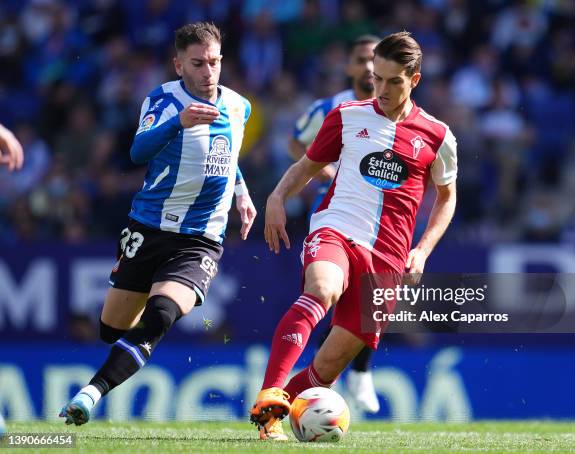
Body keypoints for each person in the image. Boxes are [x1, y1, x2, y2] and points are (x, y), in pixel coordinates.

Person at [250, 31, 457, 440]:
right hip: (337, 227)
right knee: (322, 288)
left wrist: (424, 250)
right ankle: (270, 390)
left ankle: (270, 419)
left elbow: (447, 198)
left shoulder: (437, 135)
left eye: (392, 81)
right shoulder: (347, 114)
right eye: (376, 77)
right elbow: (307, 164)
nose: (379, 88)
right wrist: (276, 196)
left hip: (388, 258)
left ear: (414, 80)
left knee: (326, 368)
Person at [60, 22, 257, 426]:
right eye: (198, 63)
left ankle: (89, 393)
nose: (208, 72)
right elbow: (137, 151)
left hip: (200, 239)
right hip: (148, 228)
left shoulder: (239, 105)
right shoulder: (164, 100)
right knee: (111, 329)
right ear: (178, 64)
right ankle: (130, 337)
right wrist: (179, 123)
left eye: (215, 62)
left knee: (162, 315)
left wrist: (241, 192)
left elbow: (229, 153)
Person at [289, 34, 382, 414]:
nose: (370, 67)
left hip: (374, 218)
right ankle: (335, 374)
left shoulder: (397, 110)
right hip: (333, 215)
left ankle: (358, 369)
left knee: (370, 300)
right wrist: (326, 171)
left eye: (376, 59)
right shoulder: (329, 107)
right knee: (329, 294)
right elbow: (297, 143)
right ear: (349, 67)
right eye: (361, 60)